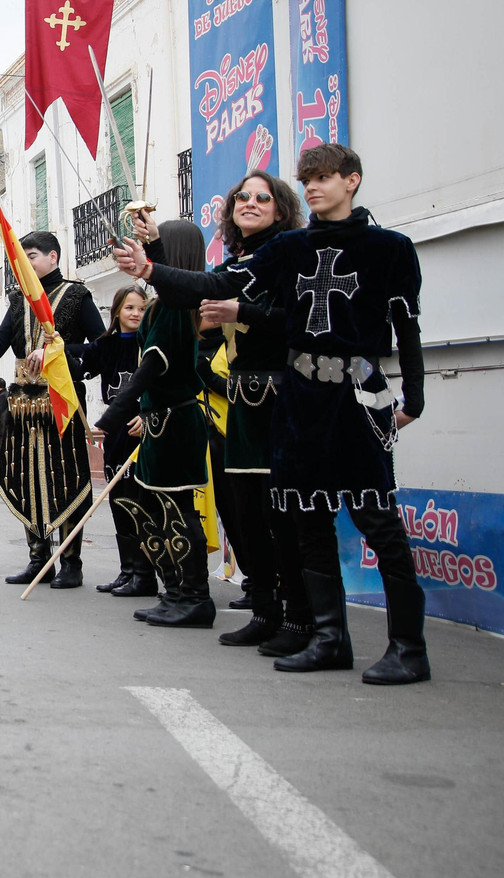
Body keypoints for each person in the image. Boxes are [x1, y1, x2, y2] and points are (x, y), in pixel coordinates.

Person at [114, 144, 429, 684]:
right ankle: (329, 639)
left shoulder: (390, 248)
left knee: (378, 522)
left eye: (324, 177)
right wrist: (150, 267)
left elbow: (408, 329)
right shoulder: (289, 248)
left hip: (358, 393)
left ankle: (408, 648)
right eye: (308, 179)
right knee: (307, 524)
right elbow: (216, 285)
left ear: (352, 180)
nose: (314, 187)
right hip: (301, 399)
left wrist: (413, 402)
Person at [137, 171, 311, 652]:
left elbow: (299, 322)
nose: (250, 202)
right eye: (242, 197)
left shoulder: (289, 254)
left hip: (282, 402)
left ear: (281, 209)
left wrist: (241, 312)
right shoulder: (239, 263)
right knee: (246, 517)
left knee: (281, 519)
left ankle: (301, 621)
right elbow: (191, 291)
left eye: (263, 197)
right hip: (243, 408)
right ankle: (265, 613)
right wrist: (154, 251)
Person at [0, 231, 103, 589]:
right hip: (23, 406)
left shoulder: (77, 296)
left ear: (53, 257)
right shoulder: (19, 301)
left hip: (62, 402)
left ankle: (70, 562)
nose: (25, 263)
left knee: (66, 479)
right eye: (21, 257)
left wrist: (56, 354)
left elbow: (101, 350)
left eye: (31, 255)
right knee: (27, 479)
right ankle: (39, 560)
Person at [94, 221, 216, 628]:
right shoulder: (168, 304)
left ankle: (194, 597)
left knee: (178, 510)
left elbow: (149, 369)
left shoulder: (174, 308)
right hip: (161, 422)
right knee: (159, 509)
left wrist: (109, 418)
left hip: (175, 423)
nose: (146, 252)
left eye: (154, 246)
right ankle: (176, 591)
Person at [67, 284, 155, 596]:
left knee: (143, 502)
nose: (136, 314)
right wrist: (57, 348)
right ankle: (127, 570)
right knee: (119, 501)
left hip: (146, 431)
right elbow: (79, 366)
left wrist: (149, 417)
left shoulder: (152, 344)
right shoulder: (105, 345)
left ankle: (145, 573)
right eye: (129, 308)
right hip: (116, 432)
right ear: (116, 311)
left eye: (141, 308)